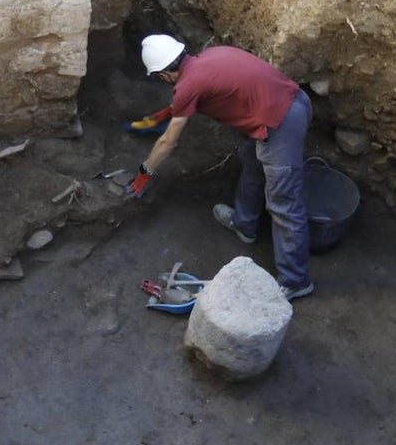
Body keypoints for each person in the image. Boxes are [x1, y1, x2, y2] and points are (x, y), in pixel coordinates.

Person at [125, 34, 315, 300]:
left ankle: (296, 281)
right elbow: (202, 88)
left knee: (284, 203)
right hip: (285, 104)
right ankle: (245, 224)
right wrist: (169, 111)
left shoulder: (189, 84)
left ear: (165, 75)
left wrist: (145, 172)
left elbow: (168, 142)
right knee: (252, 161)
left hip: (282, 122)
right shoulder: (210, 55)